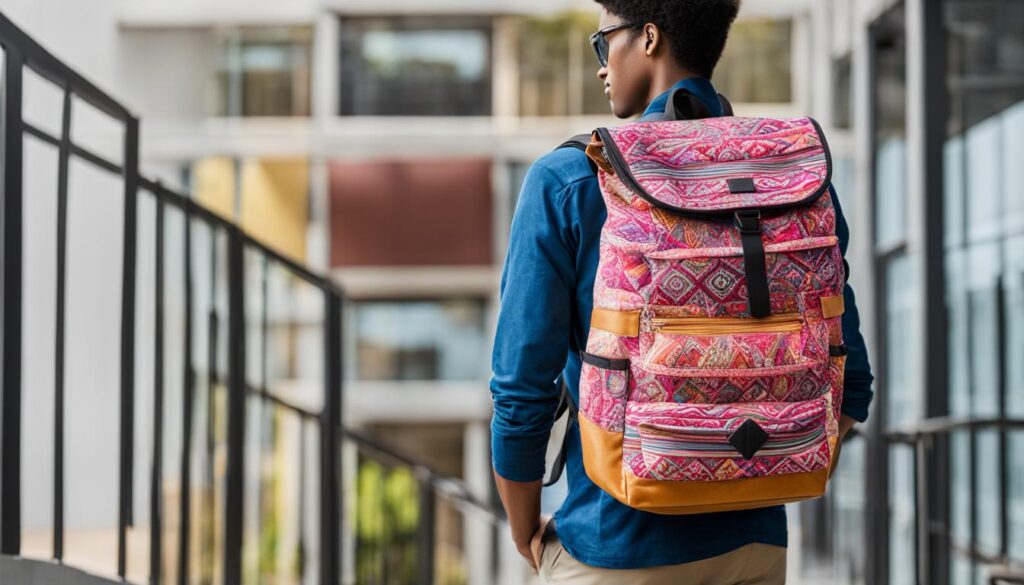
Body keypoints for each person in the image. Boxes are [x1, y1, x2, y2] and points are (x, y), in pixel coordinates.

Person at [488, 1, 875, 583]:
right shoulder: (792, 179)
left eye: (603, 43)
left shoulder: (572, 179)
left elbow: (521, 390)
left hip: (614, 543)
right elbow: (853, 384)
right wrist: (752, 464)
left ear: (647, 38)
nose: (600, 66)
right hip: (756, 548)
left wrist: (525, 530)